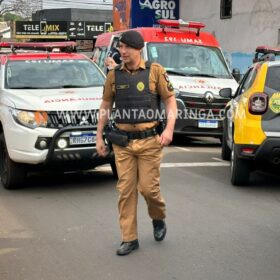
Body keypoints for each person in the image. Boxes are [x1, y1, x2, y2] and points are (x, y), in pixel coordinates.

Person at [96, 30, 177, 256]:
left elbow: (171, 102)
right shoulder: (114, 75)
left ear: (138, 49)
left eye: (126, 48)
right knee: (126, 190)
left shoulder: (155, 72)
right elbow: (105, 106)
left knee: (149, 190)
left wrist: (169, 129)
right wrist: (98, 135)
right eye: (120, 47)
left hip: (150, 142)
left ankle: (158, 217)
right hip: (123, 144)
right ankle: (129, 238)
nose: (122, 51)